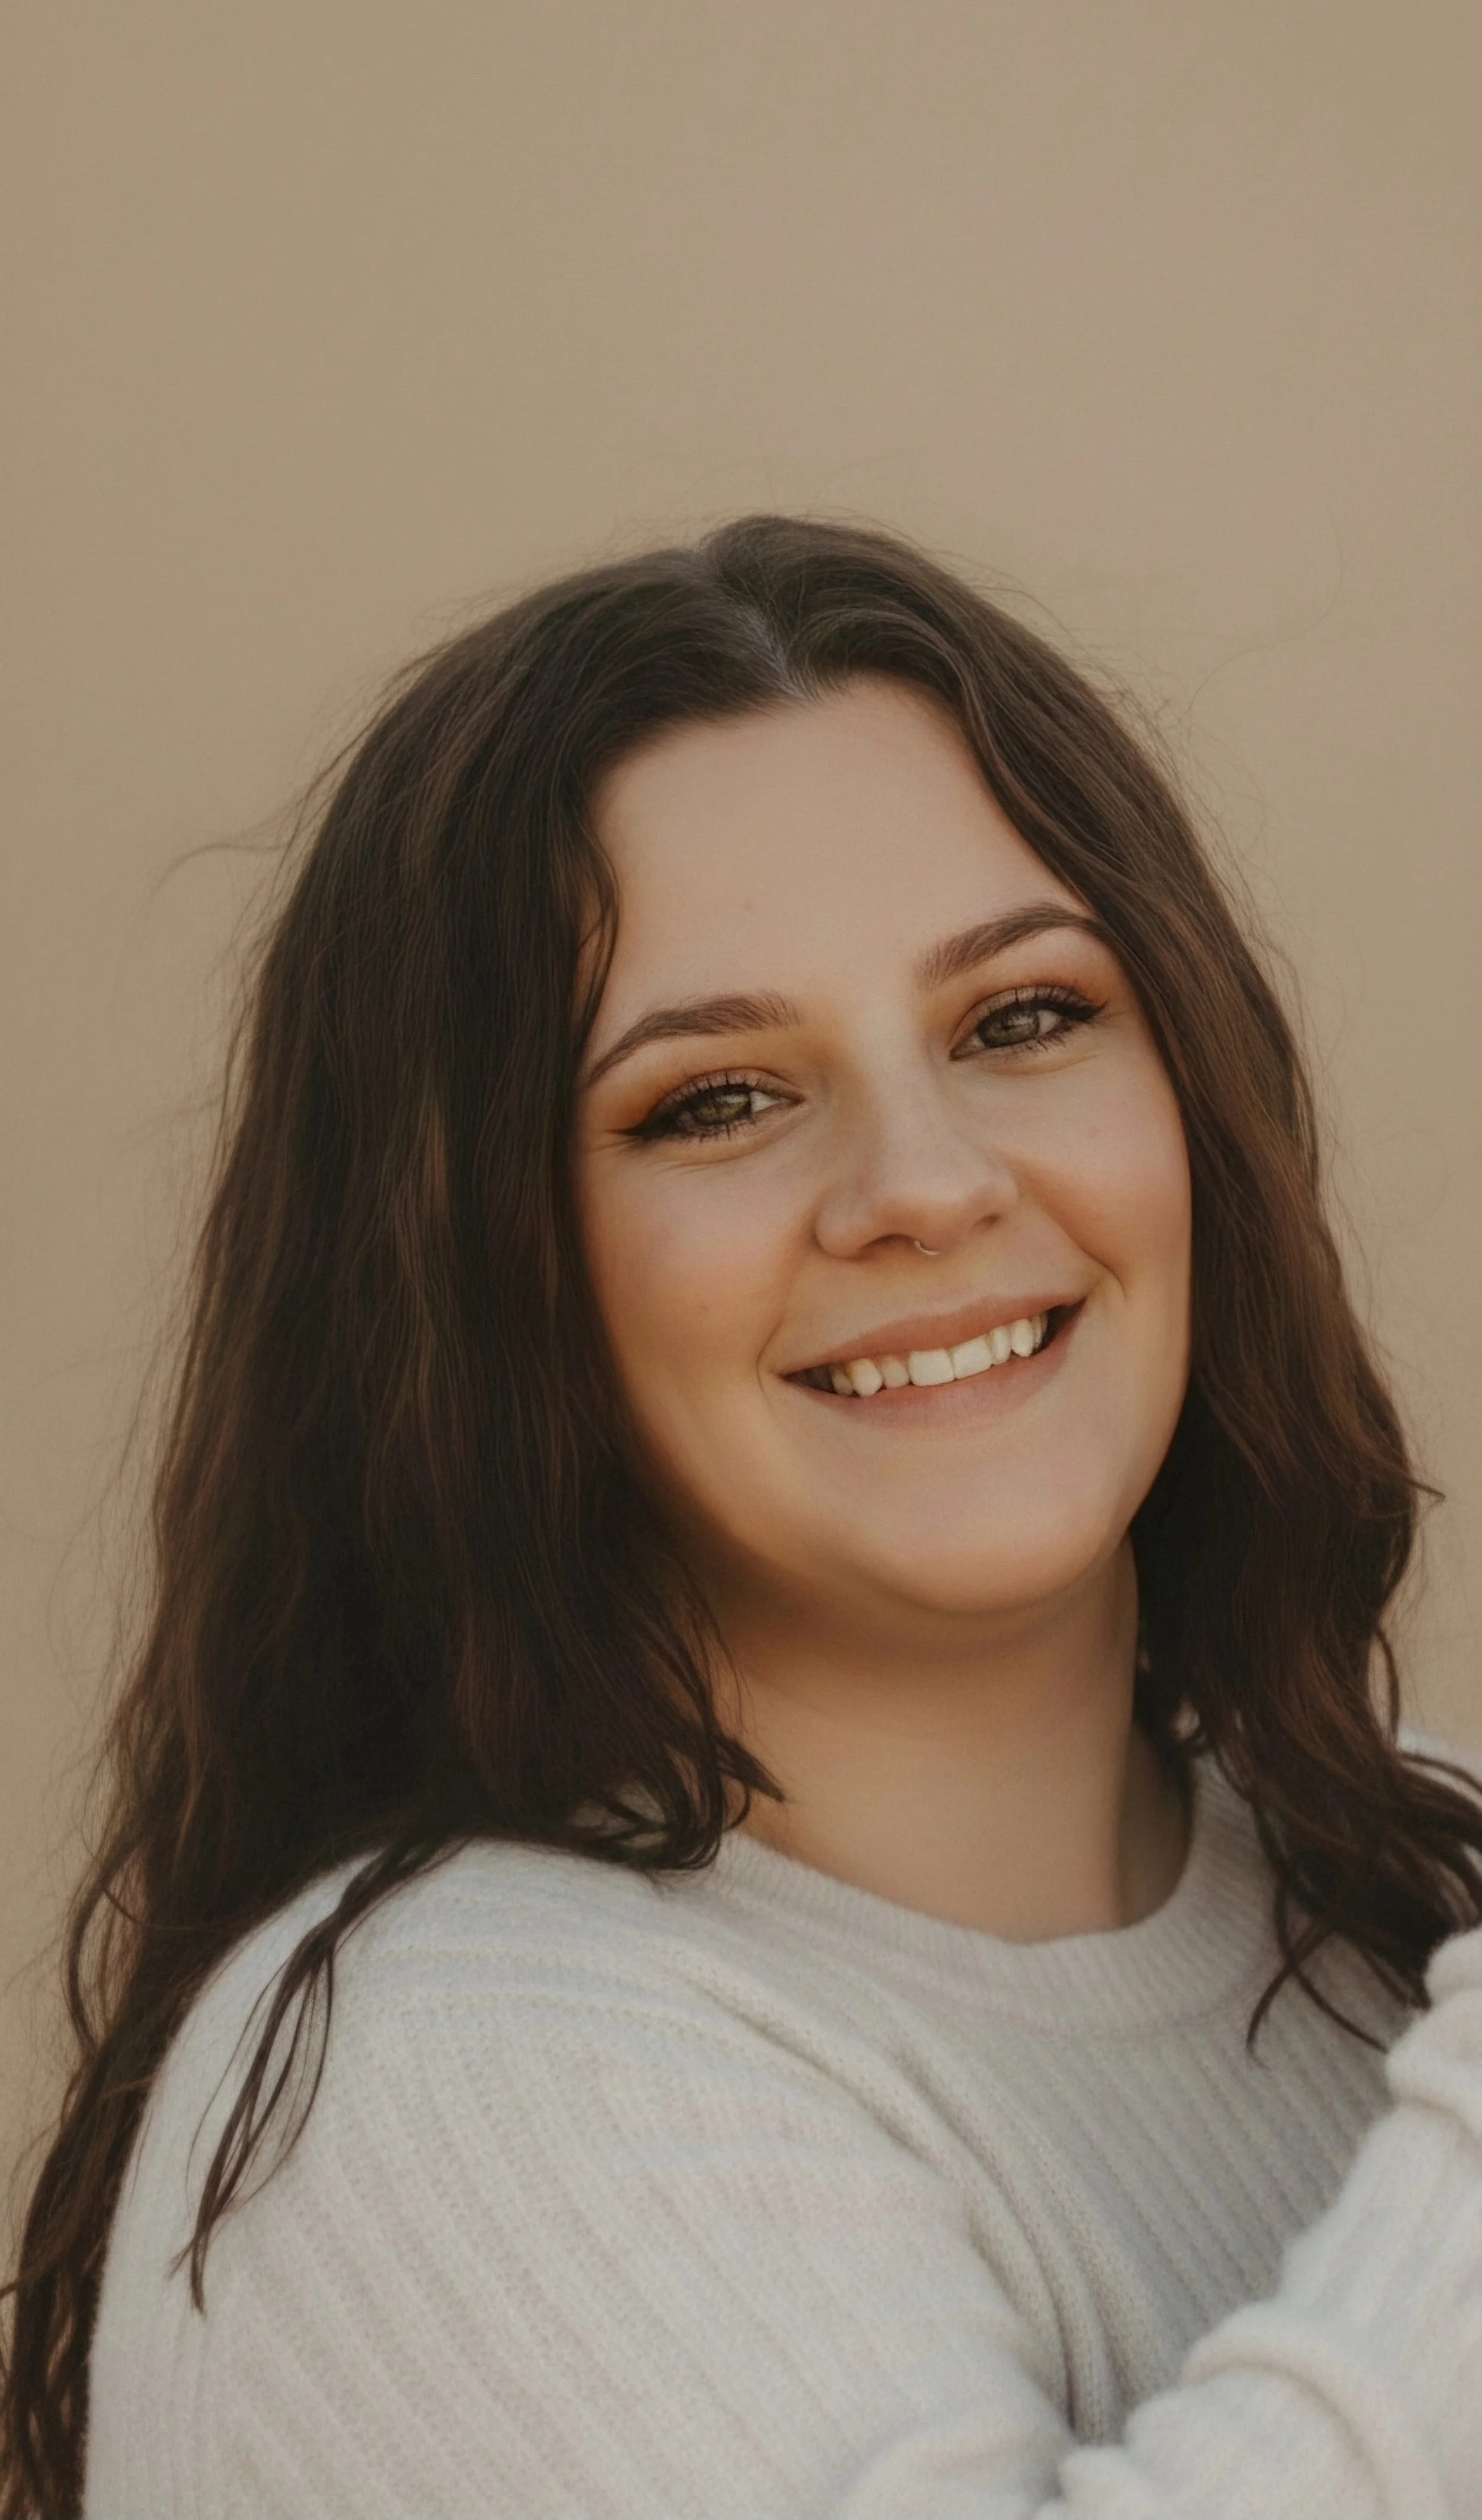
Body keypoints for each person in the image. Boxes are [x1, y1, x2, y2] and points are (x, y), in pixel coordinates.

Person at [4, 517, 1481, 2520]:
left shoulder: (1420, 1900)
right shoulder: (439, 2070)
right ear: (474, 1267)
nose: (925, 1182)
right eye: (713, 1100)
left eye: (1021, 1018)